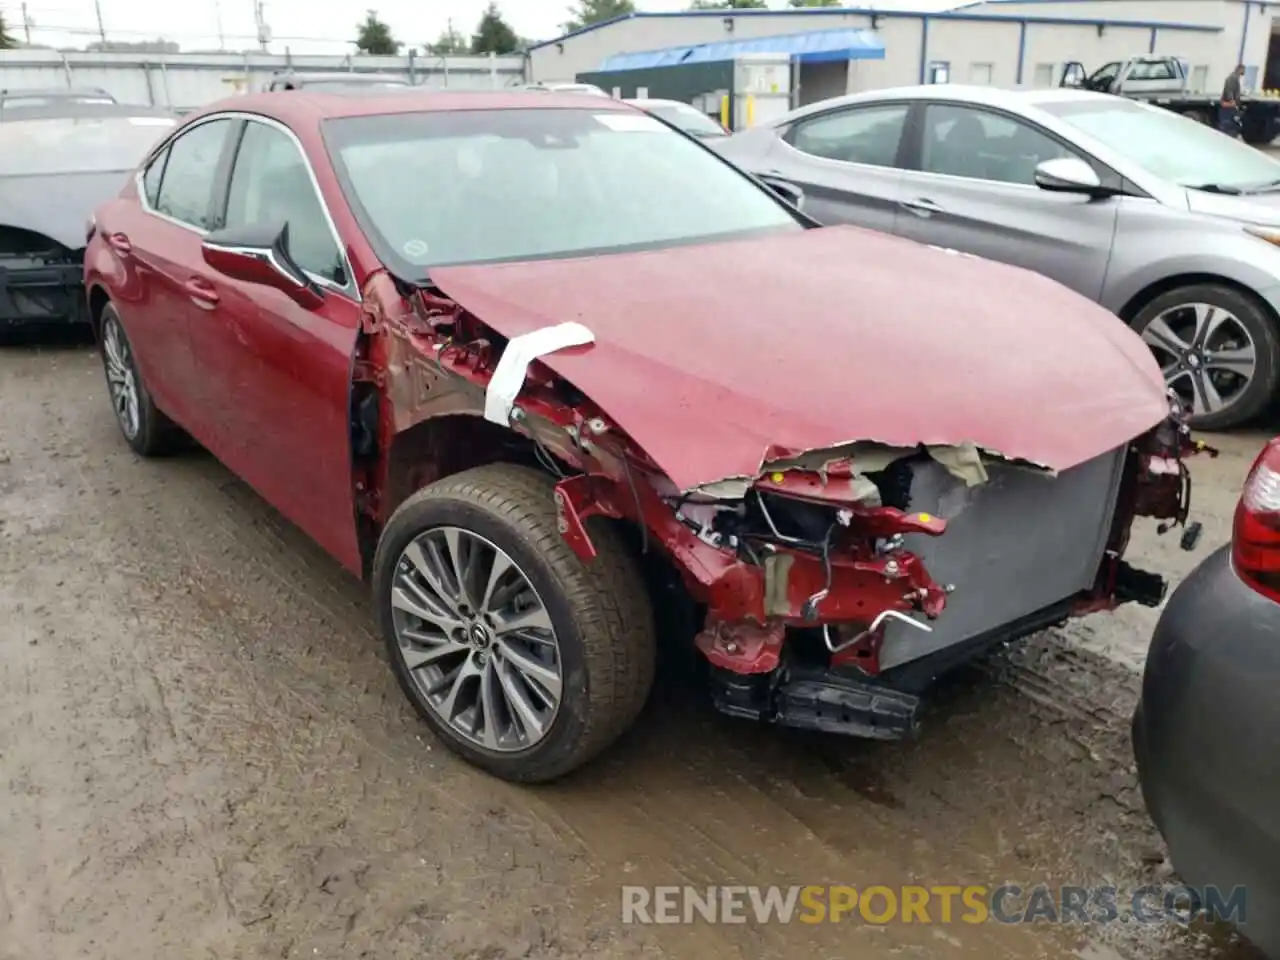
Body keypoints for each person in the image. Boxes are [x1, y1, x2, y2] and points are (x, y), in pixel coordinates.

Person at [1220, 64, 1245, 137]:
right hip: (1228, 104)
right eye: (1243, 70)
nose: (1244, 71)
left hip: (1230, 104)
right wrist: (1232, 100)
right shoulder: (1232, 78)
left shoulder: (1235, 77)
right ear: (1239, 69)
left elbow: (1234, 91)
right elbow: (1229, 90)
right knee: (1227, 122)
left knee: (1231, 122)